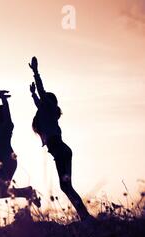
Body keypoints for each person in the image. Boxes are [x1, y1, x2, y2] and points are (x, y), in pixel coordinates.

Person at [28, 56, 93, 221]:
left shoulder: (49, 108)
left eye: (43, 100)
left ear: (48, 101)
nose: (41, 101)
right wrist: (33, 95)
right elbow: (39, 101)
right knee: (66, 185)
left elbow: (42, 94)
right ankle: (84, 215)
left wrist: (36, 72)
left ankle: (85, 216)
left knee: (65, 186)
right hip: (62, 151)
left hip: (60, 151)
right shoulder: (46, 113)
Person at [0, 90, 40, 206]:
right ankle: (27, 192)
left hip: (7, 161)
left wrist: (4, 100)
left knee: (0, 192)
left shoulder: (7, 126)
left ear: (0, 115)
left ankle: (28, 192)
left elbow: (7, 113)